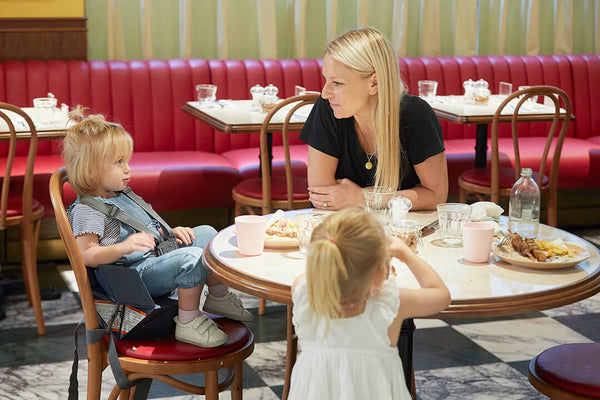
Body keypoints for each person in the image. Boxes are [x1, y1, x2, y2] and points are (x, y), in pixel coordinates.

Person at [62, 111, 252, 348]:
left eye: (126, 161)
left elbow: (142, 229)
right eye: (118, 162)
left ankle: (218, 295)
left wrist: (171, 232)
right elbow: (86, 255)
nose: (127, 169)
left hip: (150, 258)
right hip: (131, 278)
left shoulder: (117, 194)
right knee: (192, 258)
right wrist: (122, 247)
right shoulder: (87, 209)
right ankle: (188, 320)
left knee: (208, 235)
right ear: (91, 171)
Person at [288, 208, 450, 399]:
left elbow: (323, 274)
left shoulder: (303, 291)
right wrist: (405, 253)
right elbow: (441, 295)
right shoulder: (387, 303)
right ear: (380, 275)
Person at [299, 26, 448, 211]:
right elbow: (322, 197)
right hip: (342, 228)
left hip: (402, 231)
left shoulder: (416, 115)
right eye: (326, 80)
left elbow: (436, 196)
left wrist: (364, 198)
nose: (324, 93)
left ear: (374, 83)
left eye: (337, 83)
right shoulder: (328, 109)